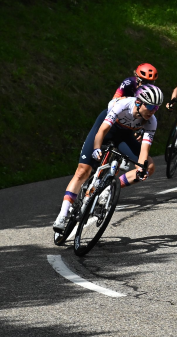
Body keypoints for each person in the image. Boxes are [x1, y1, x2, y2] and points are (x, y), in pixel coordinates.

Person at [53, 84, 163, 232]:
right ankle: (63, 214)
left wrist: (142, 167)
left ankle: (109, 187)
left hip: (124, 137)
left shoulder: (151, 121)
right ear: (139, 102)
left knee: (149, 166)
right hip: (106, 129)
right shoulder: (123, 105)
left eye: (156, 108)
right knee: (83, 171)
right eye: (150, 106)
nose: (152, 111)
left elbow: (144, 149)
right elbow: (103, 130)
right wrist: (97, 148)